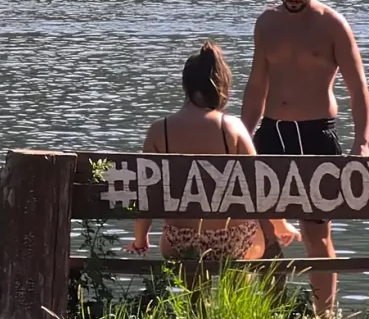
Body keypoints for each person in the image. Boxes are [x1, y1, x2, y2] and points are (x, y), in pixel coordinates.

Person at [241, 0, 369, 315]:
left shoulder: (332, 25)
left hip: (316, 134)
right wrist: (243, 135)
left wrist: (361, 143)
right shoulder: (266, 23)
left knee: (316, 234)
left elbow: (358, 88)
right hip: (273, 132)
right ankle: (272, 313)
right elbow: (256, 85)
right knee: (264, 230)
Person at [127, 41, 300, 262]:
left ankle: (194, 297)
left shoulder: (159, 130)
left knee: (182, 250)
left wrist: (140, 239)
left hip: (180, 241)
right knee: (248, 235)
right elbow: (259, 187)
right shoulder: (232, 128)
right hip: (234, 240)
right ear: (222, 86)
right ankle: (238, 294)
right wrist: (281, 224)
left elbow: (147, 195)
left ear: (186, 86)